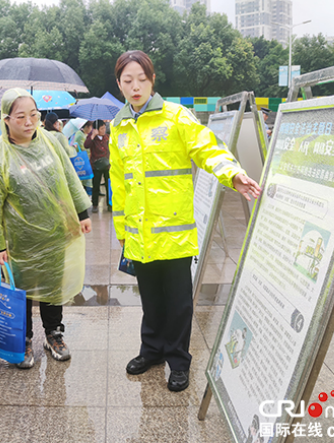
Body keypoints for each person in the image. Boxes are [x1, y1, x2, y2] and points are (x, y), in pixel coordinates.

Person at [109, 50, 261, 392]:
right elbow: (118, 184)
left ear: (152, 81)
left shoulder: (176, 117)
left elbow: (209, 149)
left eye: (142, 79)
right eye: (128, 80)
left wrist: (232, 173)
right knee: (150, 299)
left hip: (174, 234)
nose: (136, 87)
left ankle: (178, 361)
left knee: (178, 303)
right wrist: (121, 230)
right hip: (139, 236)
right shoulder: (117, 127)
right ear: (119, 84)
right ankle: (152, 351)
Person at [0, 88, 91, 369]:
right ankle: (24, 338)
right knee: (24, 292)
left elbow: (69, 175)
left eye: (34, 115)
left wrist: (82, 212)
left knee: (53, 286)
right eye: (21, 116)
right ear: (6, 119)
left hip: (56, 233)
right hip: (20, 240)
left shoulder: (51, 142)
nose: (29, 122)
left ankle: (54, 334)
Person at [85, 120, 111, 213]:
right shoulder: (93, 138)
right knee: (96, 185)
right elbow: (86, 145)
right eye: (102, 128)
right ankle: (95, 204)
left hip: (107, 165)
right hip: (96, 166)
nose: (104, 130)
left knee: (109, 185)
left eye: (104, 128)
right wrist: (92, 135)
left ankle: (109, 204)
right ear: (97, 129)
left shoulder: (107, 137)